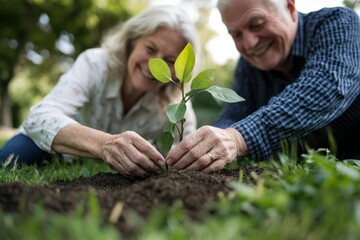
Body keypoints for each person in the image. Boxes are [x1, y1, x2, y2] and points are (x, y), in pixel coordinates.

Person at [0, 5, 200, 177]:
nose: (155, 64)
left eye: (171, 60)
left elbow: (184, 153)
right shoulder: (96, 64)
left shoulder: (176, 102)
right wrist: (104, 144)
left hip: (111, 169)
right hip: (57, 149)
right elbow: (37, 118)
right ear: (132, 42)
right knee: (11, 157)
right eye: (150, 49)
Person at [165, 0, 360, 173]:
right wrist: (204, 145)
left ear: (290, 8)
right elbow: (234, 114)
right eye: (236, 35)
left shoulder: (337, 24)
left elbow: (326, 87)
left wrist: (237, 138)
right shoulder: (248, 66)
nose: (249, 44)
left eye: (257, 24)